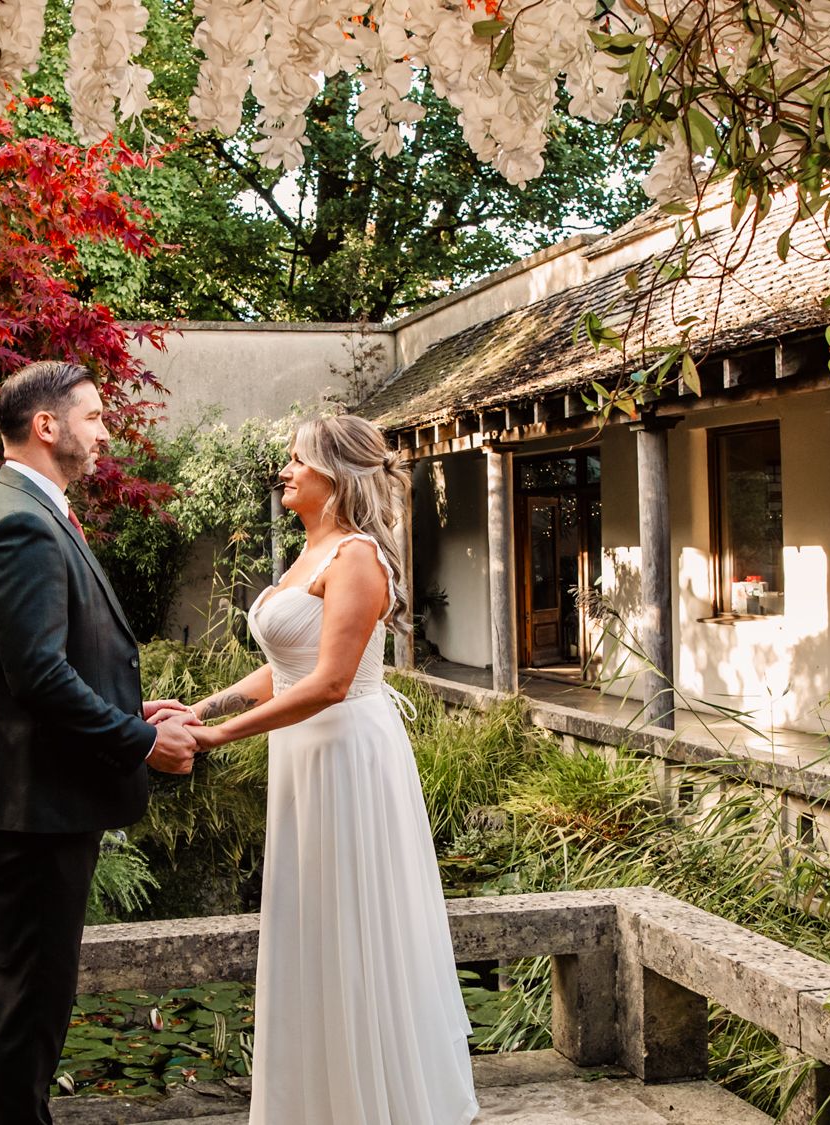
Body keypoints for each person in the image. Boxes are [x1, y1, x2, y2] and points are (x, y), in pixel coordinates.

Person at [183, 414, 479, 1125]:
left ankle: (375, 1101)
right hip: (302, 753)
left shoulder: (356, 557)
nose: (283, 471)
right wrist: (198, 708)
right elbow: (283, 669)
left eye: (296, 460)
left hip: (346, 754)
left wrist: (219, 737)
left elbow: (329, 683)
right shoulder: (310, 548)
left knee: (353, 923)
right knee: (312, 919)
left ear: (335, 474)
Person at [0, 360, 201, 1125]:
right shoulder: (22, 520)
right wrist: (136, 739)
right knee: (32, 997)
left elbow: (50, 658)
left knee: (24, 988)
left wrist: (129, 700)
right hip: (36, 802)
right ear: (46, 425)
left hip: (39, 798)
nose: (104, 431)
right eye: (93, 416)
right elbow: (36, 675)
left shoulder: (24, 506)